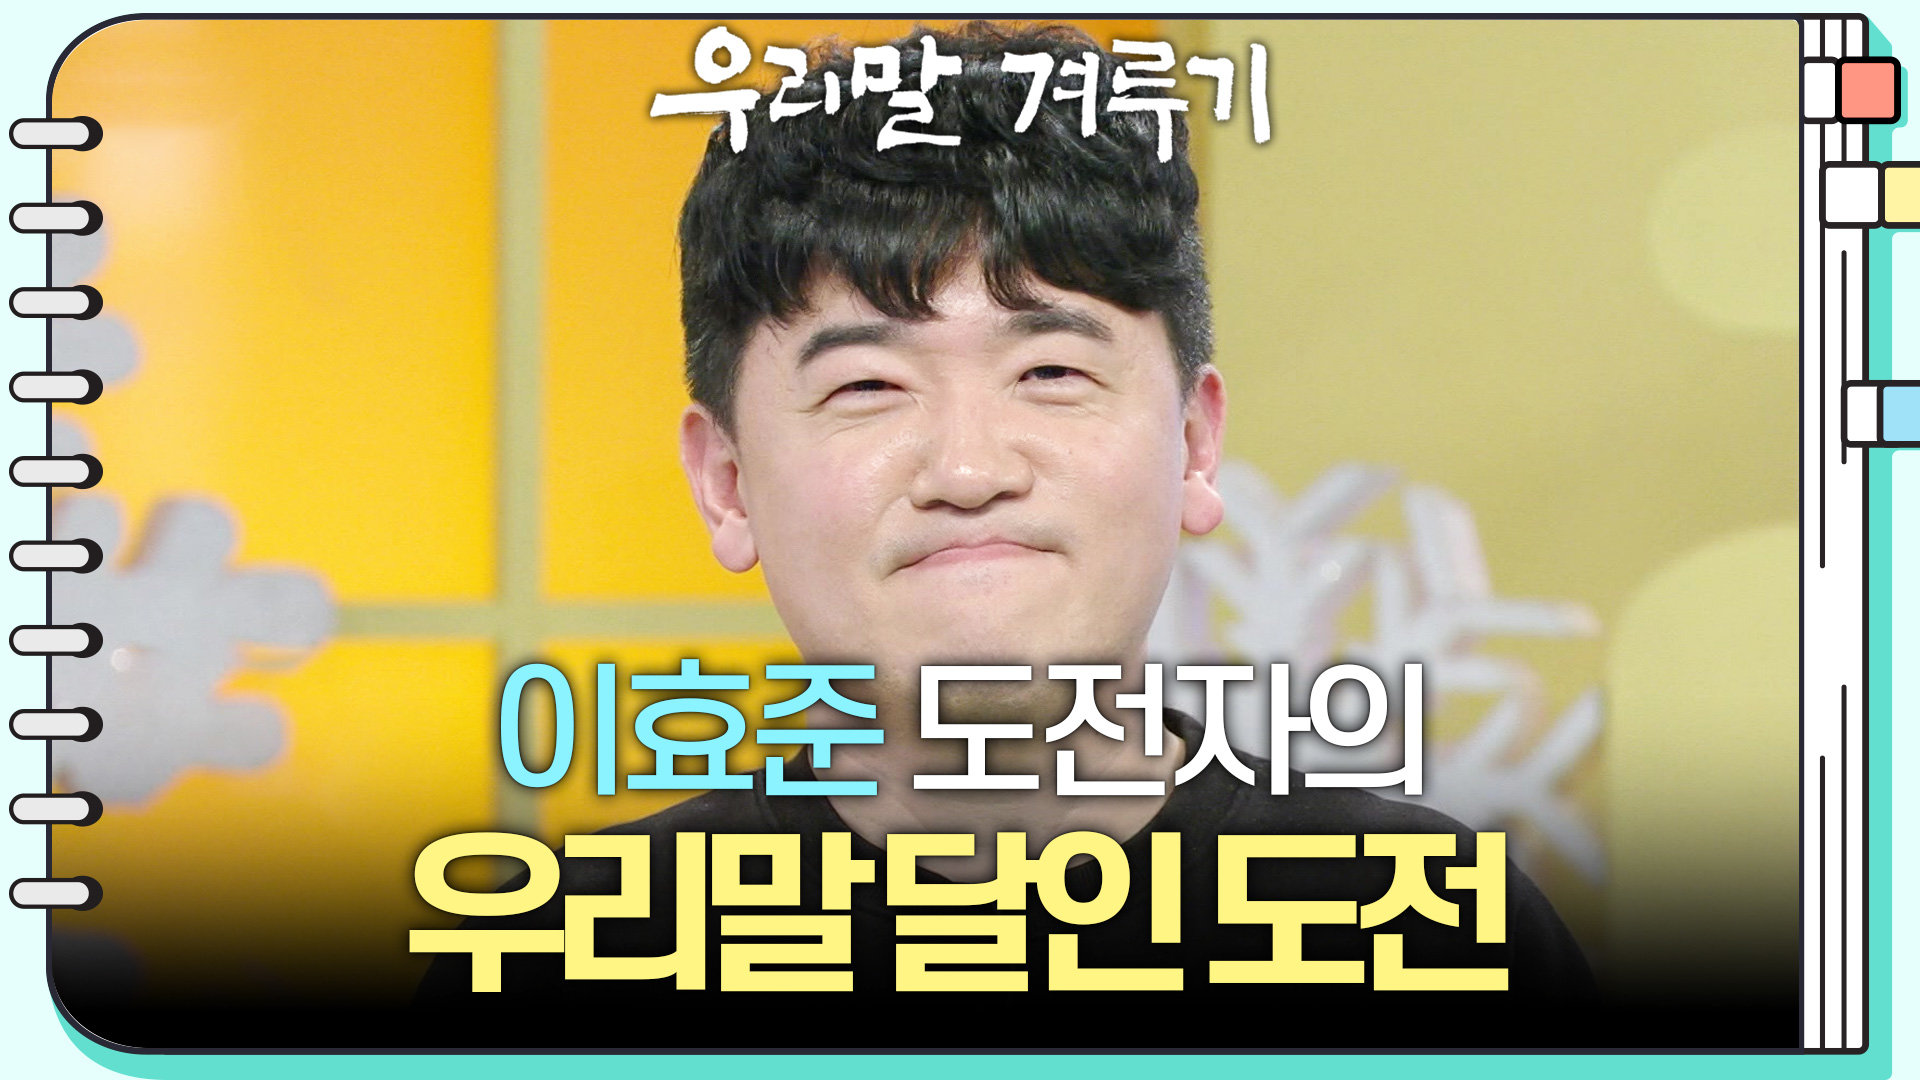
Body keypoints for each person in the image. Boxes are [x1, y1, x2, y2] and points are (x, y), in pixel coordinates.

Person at [416, 20, 1592, 1047]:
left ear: (1194, 444)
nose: (970, 471)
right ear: (727, 482)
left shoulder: (1435, 937)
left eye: (1052, 371)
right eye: (868, 388)